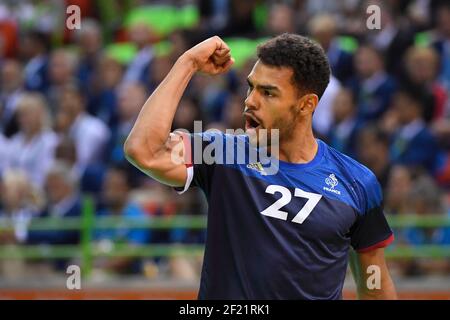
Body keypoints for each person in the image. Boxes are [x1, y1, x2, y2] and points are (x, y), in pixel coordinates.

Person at [124, 34, 397, 299]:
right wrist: (187, 63)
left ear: (306, 105)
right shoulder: (222, 153)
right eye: (251, 86)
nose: (250, 101)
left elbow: (374, 284)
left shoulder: (357, 182)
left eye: (267, 93)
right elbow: (145, 150)